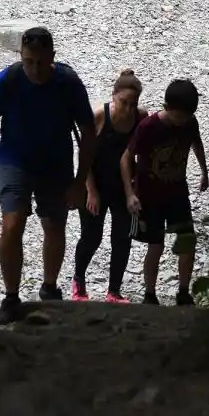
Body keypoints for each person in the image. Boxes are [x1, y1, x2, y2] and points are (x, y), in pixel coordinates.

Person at [0, 26, 97, 324]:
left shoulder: (68, 83)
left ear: (52, 56)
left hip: (56, 165)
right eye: (28, 62)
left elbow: (89, 132)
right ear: (21, 57)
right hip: (15, 161)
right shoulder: (8, 80)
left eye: (40, 62)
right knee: (12, 224)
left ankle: (49, 290)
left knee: (54, 226)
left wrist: (80, 181)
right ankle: (12, 298)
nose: (34, 69)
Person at [121, 78, 209, 306]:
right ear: (167, 107)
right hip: (150, 197)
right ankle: (149, 294)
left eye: (188, 116)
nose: (183, 121)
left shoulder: (190, 123)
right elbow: (126, 158)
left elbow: (196, 144)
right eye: (180, 116)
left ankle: (183, 291)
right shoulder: (149, 127)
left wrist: (204, 171)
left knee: (187, 240)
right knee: (156, 245)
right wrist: (130, 194)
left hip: (178, 192)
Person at [72, 70, 146, 304]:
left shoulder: (141, 118)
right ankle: (79, 282)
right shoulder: (100, 117)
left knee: (122, 238)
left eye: (132, 104)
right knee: (92, 236)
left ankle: (114, 290)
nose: (128, 109)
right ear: (113, 96)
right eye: (124, 102)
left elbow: (145, 153)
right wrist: (91, 191)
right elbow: (84, 155)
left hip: (123, 188)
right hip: (96, 184)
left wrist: (136, 190)